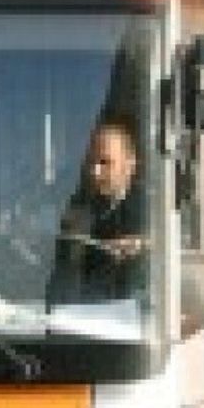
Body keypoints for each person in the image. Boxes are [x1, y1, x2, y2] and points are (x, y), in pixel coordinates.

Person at [46, 120, 149, 306]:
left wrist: (143, 244)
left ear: (130, 164)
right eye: (90, 161)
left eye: (105, 162)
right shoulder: (76, 203)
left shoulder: (152, 207)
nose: (94, 172)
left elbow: (178, 246)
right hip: (83, 312)